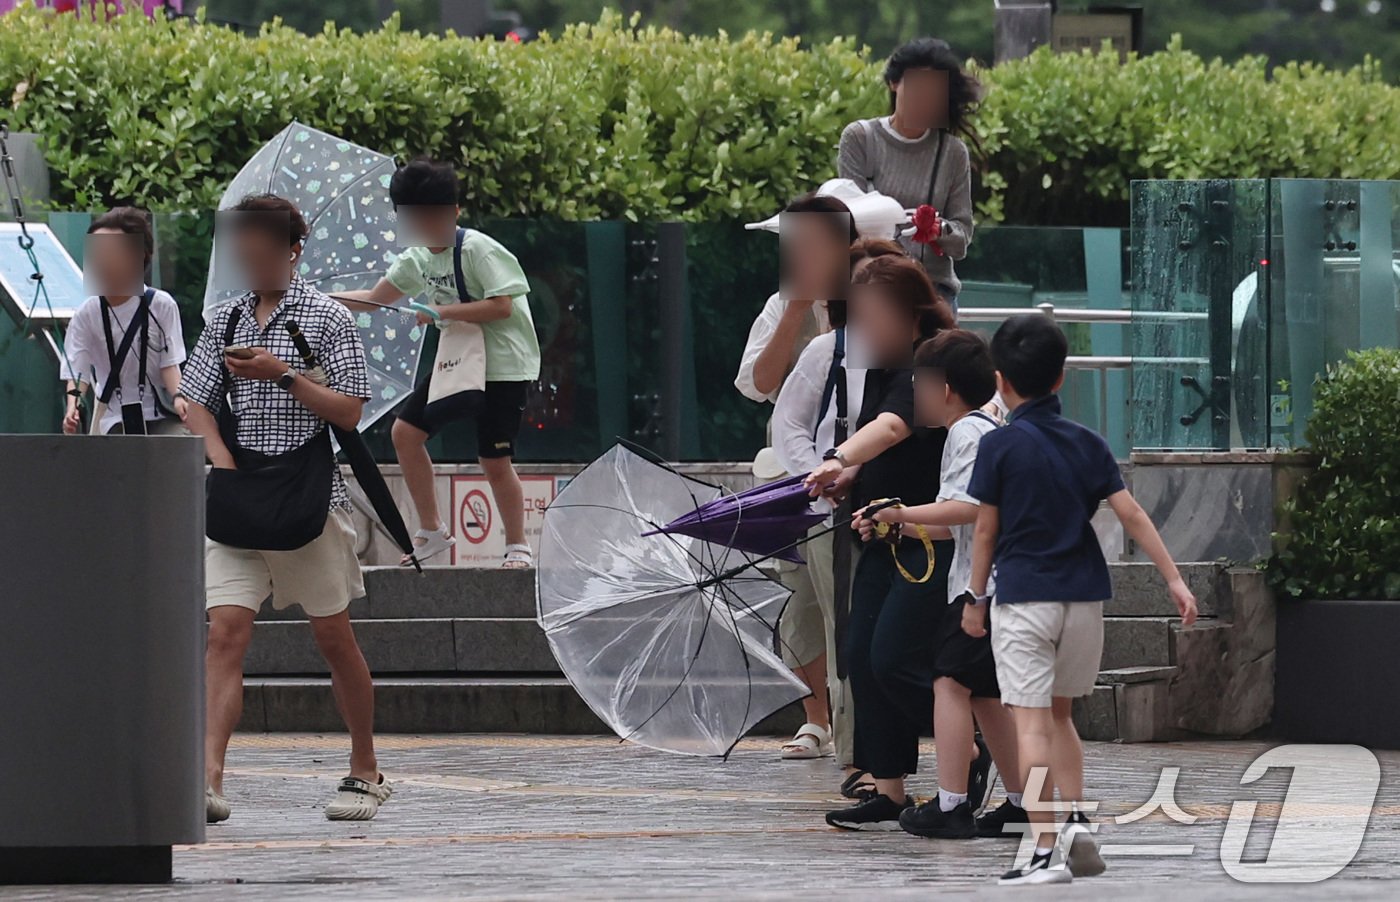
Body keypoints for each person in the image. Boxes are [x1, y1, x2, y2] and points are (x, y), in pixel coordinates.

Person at [962, 314, 1198, 885]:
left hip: (1024, 601)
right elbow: (1131, 514)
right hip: (1084, 602)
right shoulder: (1089, 443)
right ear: (1061, 377)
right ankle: (1073, 820)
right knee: (1063, 716)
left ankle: (1043, 851)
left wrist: (973, 597)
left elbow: (985, 533)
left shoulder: (997, 446)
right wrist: (1173, 579)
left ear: (1000, 381)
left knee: (1031, 724)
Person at [181, 193, 391, 824]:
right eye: (242, 249)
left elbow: (351, 411)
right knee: (225, 634)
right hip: (239, 500)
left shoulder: (327, 319)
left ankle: (365, 767)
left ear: (292, 250)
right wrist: (220, 458)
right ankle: (208, 780)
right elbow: (193, 403)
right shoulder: (224, 319)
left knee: (333, 637)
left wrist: (282, 374)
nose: (251, 259)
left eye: (262, 249)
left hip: (308, 502)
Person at [803, 255, 976, 831]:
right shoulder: (881, 366)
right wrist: (853, 475)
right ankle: (889, 785)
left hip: (926, 541)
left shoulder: (930, 362)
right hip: (878, 531)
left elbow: (895, 427)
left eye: (873, 318)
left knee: (894, 656)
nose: (863, 331)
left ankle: (971, 747)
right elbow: (882, 439)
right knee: (859, 657)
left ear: (908, 315)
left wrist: (838, 459)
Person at [856, 329, 1025, 840]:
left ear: (944, 387)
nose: (915, 398)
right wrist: (893, 525)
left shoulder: (967, 433)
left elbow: (967, 510)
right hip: (999, 580)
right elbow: (956, 520)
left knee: (950, 684)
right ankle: (1021, 804)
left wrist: (900, 511)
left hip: (981, 586)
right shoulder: (994, 423)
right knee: (986, 697)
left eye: (919, 386)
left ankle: (952, 804)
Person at [337, 158, 540, 568]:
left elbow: (503, 306)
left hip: (503, 367)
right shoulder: (415, 260)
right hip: (459, 364)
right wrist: (315, 299)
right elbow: (376, 299)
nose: (425, 225)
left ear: (454, 213)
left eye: (433, 215)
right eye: (415, 217)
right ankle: (431, 531)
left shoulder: (479, 250)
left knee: (494, 459)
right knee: (405, 433)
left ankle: (518, 546)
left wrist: (441, 312)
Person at [735, 194, 858, 764]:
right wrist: (795, 309)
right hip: (793, 472)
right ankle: (817, 719)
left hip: (858, 468)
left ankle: (860, 716)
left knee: (851, 600)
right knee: (798, 596)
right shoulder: (778, 304)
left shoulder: (871, 292)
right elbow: (759, 381)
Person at [838, 37, 980, 311]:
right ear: (894, 83)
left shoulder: (951, 152)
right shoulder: (860, 138)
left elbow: (961, 240)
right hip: (872, 285)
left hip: (931, 290)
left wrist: (939, 229)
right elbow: (849, 223)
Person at [62, 207, 188, 435]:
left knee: (177, 444)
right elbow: (76, 371)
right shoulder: (86, 314)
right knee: (124, 453)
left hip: (161, 412)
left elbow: (169, 364)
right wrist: (73, 406)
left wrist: (179, 397)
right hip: (114, 418)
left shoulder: (161, 305)